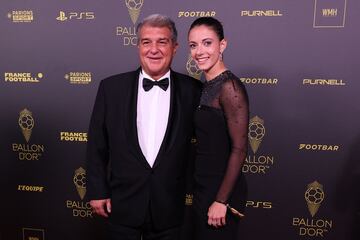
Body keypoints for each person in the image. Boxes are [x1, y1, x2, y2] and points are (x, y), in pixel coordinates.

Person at [86, 14, 201, 240]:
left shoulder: (194, 90)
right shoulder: (111, 88)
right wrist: (97, 190)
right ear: (138, 45)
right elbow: (97, 144)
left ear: (175, 47)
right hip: (121, 206)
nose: (154, 49)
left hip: (170, 208)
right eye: (146, 42)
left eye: (162, 42)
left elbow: (210, 149)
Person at [187, 17, 249, 239]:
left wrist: (221, 200)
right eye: (193, 45)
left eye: (207, 43)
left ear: (222, 45)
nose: (199, 51)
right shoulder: (206, 87)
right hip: (203, 186)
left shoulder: (229, 87)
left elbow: (240, 148)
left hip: (221, 191)